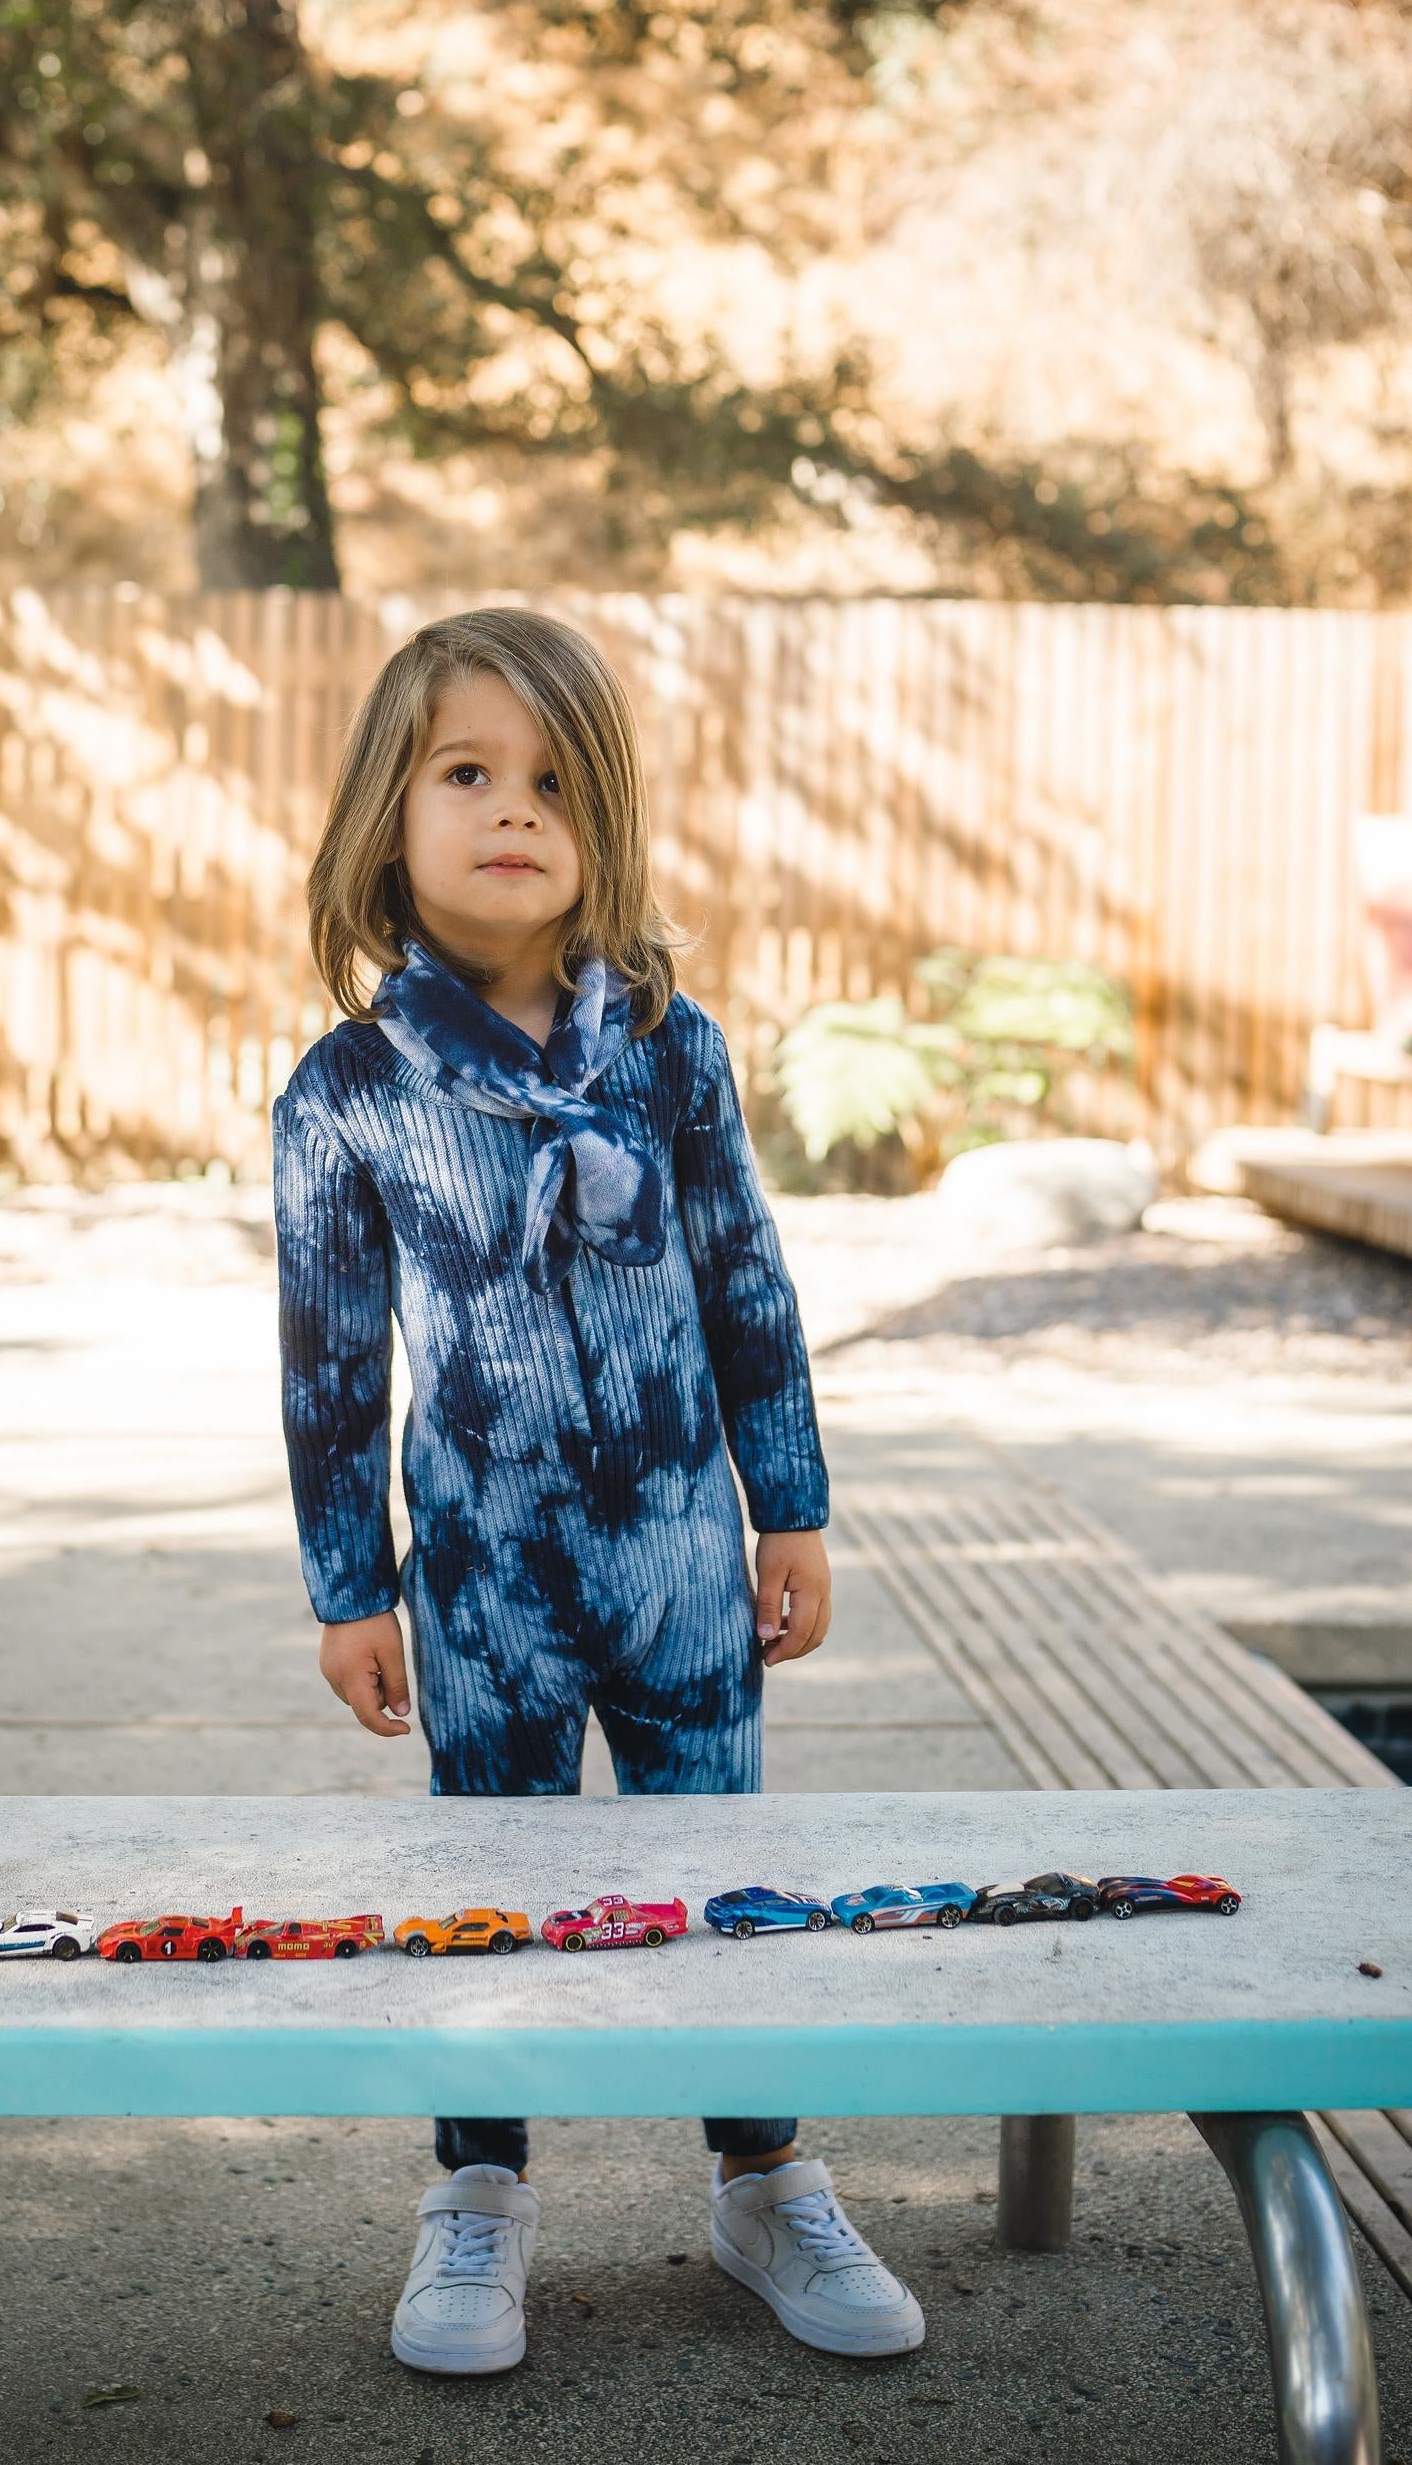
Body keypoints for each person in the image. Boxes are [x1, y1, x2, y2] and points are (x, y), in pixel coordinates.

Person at [269, 606, 923, 2378]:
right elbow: (334, 1367)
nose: (512, 811)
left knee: (724, 1868)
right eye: (467, 772)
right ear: (385, 818)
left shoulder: (671, 1051)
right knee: (493, 1881)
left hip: (683, 1566)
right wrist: (351, 1584)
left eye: (554, 781)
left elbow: (748, 1283)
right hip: (480, 1587)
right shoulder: (347, 1093)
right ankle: (479, 2189)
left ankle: (762, 2174)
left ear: (603, 820)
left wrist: (792, 1507)